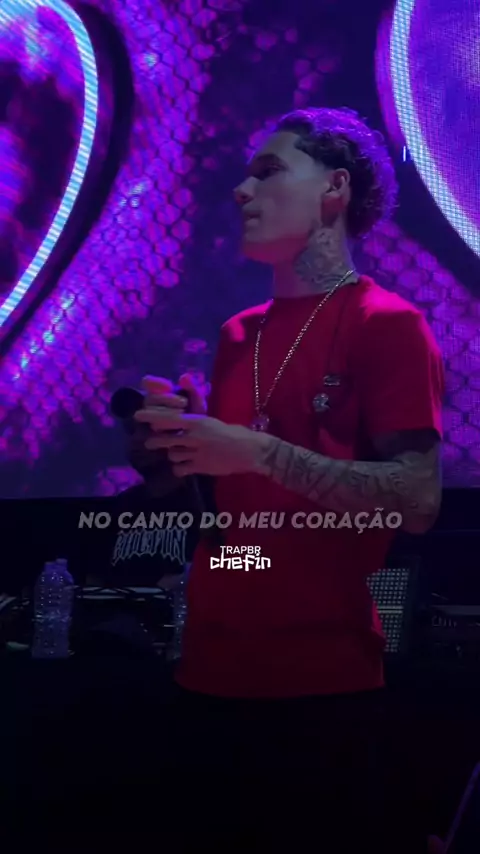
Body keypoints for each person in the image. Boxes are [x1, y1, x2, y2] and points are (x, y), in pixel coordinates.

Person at [132, 108, 444, 850]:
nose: (242, 190)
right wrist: (171, 450)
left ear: (334, 189)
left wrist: (255, 452)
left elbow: (417, 501)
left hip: (320, 688)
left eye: (268, 171)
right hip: (206, 674)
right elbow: (244, 532)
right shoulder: (238, 333)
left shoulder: (387, 323)